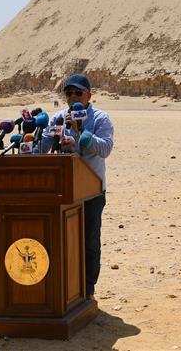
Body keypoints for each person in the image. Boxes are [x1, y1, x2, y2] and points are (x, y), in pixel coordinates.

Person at [39, 74, 114, 299]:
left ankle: (88, 289)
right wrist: (38, 139)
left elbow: (105, 149)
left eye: (78, 93)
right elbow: (43, 148)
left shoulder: (100, 118)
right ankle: (66, 289)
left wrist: (81, 132)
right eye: (68, 93)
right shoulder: (58, 118)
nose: (73, 97)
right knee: (62, 241)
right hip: (62, 191)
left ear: (89, 95)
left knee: (89, 242)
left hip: (90, 191)